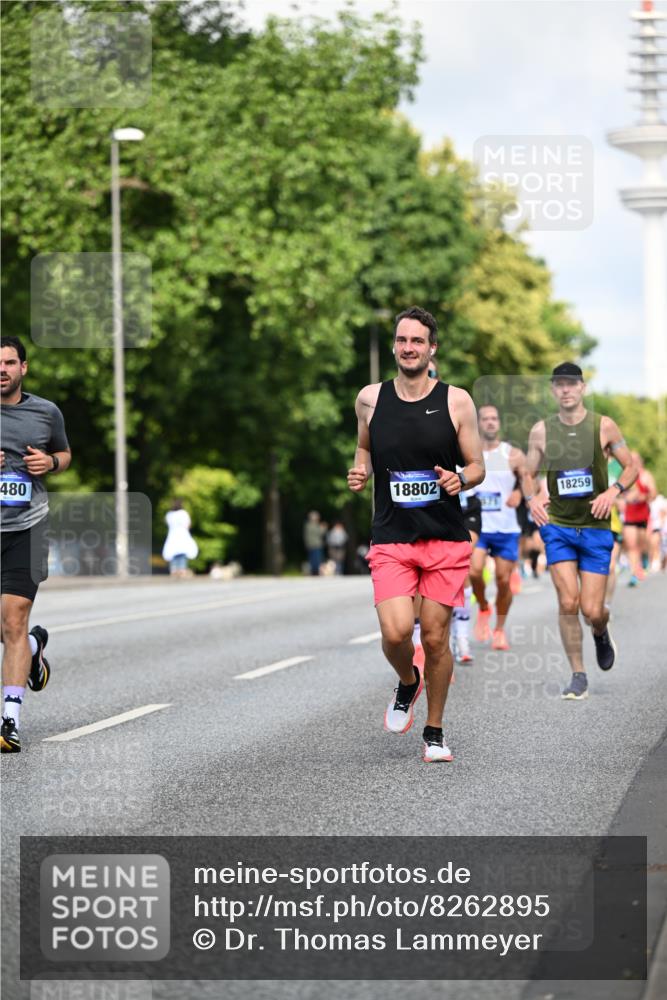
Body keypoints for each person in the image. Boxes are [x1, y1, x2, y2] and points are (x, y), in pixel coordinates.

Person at [347, 306, 485, 763]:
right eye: (402, 340)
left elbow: (478, 466)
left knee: (435, 638)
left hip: (444, 539)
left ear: (432, 349)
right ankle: (409, 682)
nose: (409, 348)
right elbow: (364, 443)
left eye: (418, 341)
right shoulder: (369, 398)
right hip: (391, 537)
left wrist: (459, 479)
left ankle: (434, 731)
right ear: (395, 346)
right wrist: (361, 469)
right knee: (395, 632)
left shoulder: (456, 400)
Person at [523, 362, 636, 700]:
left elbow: (630, 466)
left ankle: (601, 630)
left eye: (572, 383)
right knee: (568, 602)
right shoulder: (541, 431)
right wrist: (531, 498)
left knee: (592, 610)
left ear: (582, 388)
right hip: (558, 527)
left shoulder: (604, 427)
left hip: (596, 528)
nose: (566, 389)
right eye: (559, 384)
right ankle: (578, 675)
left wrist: (613, 491)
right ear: (553, 390)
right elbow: (528, 473)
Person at [1, 336, 71, 753]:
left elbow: (64, 454)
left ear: (23, 368)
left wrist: (51, 463)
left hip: (27, 528)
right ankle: (33, 648)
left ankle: (8, 721)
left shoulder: (46, 412)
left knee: (12, 620)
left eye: (10, 362)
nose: (2, 370)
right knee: (12, 631)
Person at [470, 404, 525, 651]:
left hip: (506, 527)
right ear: (478, 423)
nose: (490, 422)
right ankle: (483, 606)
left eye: (494, 418)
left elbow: (529, 478)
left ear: (499, 423)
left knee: (503, 581)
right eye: (485, 419)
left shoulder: (512, 454)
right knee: (473, 572)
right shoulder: (468, 453)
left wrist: (519, 492)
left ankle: (500, 629)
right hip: (478, 527)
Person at [622, 453, 657, 586]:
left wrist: (643, 496)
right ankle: (634, 573)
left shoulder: (646, 475)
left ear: (640, 461)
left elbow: (653, 493)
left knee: (641, 545)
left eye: (636, 459)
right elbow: (619, 493)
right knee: (632, 546)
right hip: (629, 515)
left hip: (642, 515)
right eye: (631, 459)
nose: (634, 461)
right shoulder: (625, 475)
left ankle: (644, 559)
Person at [162, 499, 198, 577]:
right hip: (183, 535)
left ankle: (174, 570)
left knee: (173, 554)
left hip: (172, 536)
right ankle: (182, 570)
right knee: (182, 554)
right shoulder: (184, 513)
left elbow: (167, 523)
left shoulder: (169, 514)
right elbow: (188, 525)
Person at [303, 510, 326, 576]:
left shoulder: (307, 525)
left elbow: (306, 536)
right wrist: (323, 528)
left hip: (310, 544)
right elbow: (320, 533)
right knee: (317, 560)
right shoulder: (315, 525)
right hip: (316, 544)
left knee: (312, 559)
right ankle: (315, 572)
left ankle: (313, 572)